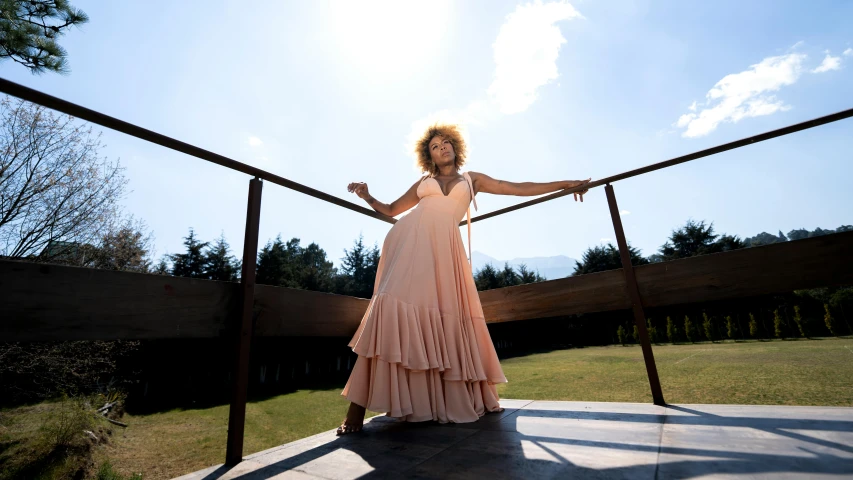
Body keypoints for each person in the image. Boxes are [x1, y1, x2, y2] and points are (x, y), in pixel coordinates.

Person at [338, 123, 589, 434]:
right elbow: (391, 209)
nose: (442, 147)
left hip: (443, 253)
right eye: (435, 146)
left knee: (443, 317)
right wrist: (366, 195)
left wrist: (567, 184)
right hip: (407, 244)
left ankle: (432, 401)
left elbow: (518, 187)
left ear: (455, 145)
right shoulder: (424, 182)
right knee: (387, 307)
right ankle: (355, 411)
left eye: (446, 142)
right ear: (427, 155)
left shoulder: (473, 180)